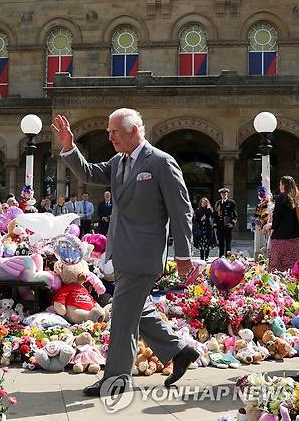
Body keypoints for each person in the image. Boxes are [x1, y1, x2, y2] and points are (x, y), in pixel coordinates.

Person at [52, 109, 197, 397]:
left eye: (114, 131)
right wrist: (70, 147)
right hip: (120, 250)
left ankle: (115, 380)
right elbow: (89, 173)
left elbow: (181, 211)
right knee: (134, 309)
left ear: (133, 130)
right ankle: (179, 350)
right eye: (109, 131)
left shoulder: (161, 162)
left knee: (122, 318)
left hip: (144, 253)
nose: (110, 136)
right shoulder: (119, 161)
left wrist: (184, 255)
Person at [269, 176, 299, 271]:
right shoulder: (297, 198)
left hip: (281, 238)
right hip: (296, 238)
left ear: (283, 185)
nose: (279, 186)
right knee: (293, 266)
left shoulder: (281, 197)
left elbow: (277, 217)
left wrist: (272, 228)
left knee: (277, 266)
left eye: (280, 184)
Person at [214, 188, 238, 257]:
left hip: (228, 225)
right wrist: (215, 225)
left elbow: (235, 214)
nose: (223, 195)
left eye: (225, 194)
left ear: (227, 194)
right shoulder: (218, 203)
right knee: (221, 242)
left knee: (228, 242)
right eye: (222, 194)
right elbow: (216, 215)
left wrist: (232, 223)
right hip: (220, 225)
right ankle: (221, 257)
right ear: (220, 195)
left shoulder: (231, 202)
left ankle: (228, 257)